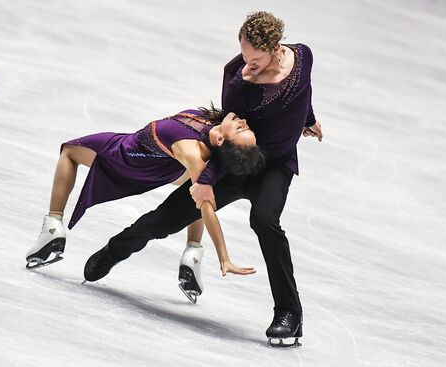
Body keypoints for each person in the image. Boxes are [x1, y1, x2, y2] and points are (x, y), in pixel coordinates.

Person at [83, 11, 323, 347]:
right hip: (234, 166)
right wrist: (206, 178)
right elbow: (228, 139)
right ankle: (113, 251)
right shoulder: (237, 81)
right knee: (165, 219)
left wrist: (308, 119)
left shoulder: (302, 57)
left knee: (265, 221)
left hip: (276, 166)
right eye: (244, 55)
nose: (247, 64)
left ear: (276, 48)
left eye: (255, 59)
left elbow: (304, 90)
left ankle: (289, 314)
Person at [25, 106, 264, 281]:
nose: (242, 119)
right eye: (245, 125)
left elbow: (207, 207)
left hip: (129, 156)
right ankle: (193, 252)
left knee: (69, 151)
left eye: (240, 127)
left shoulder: (193, 154)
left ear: (221, 139)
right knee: (196, 187)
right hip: (167, 167)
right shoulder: (211, 136)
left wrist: (224, 256)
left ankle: (53, 226)